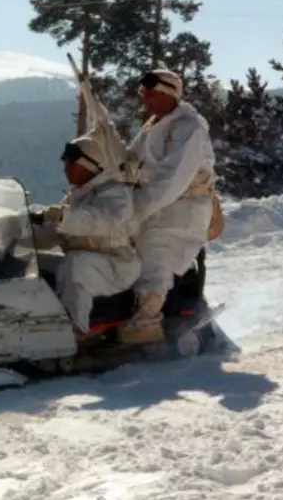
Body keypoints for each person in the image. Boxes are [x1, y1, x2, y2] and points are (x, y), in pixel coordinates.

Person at [116, 68, 218, 345]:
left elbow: (171, 179)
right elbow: (129, 161)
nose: (145, 100)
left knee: (155, 250)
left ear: (168, 94)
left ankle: (147, 322)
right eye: (143, 94)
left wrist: (135, 209)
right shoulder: (155, 125)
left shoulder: (189, 128)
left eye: (151, 94)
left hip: (183, 208)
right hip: (160, 204)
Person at [30, 136, 141, 346]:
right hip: (92, 263)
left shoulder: (115, 193)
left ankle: (75, 333)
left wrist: (64, 217)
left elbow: (103, 221)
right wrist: (19, 235)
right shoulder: (77, 196)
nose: (65, 169)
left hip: (116, 266)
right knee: (31, 263)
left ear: (86, 164)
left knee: (76, 264)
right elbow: (53, 233)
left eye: (70, 163)